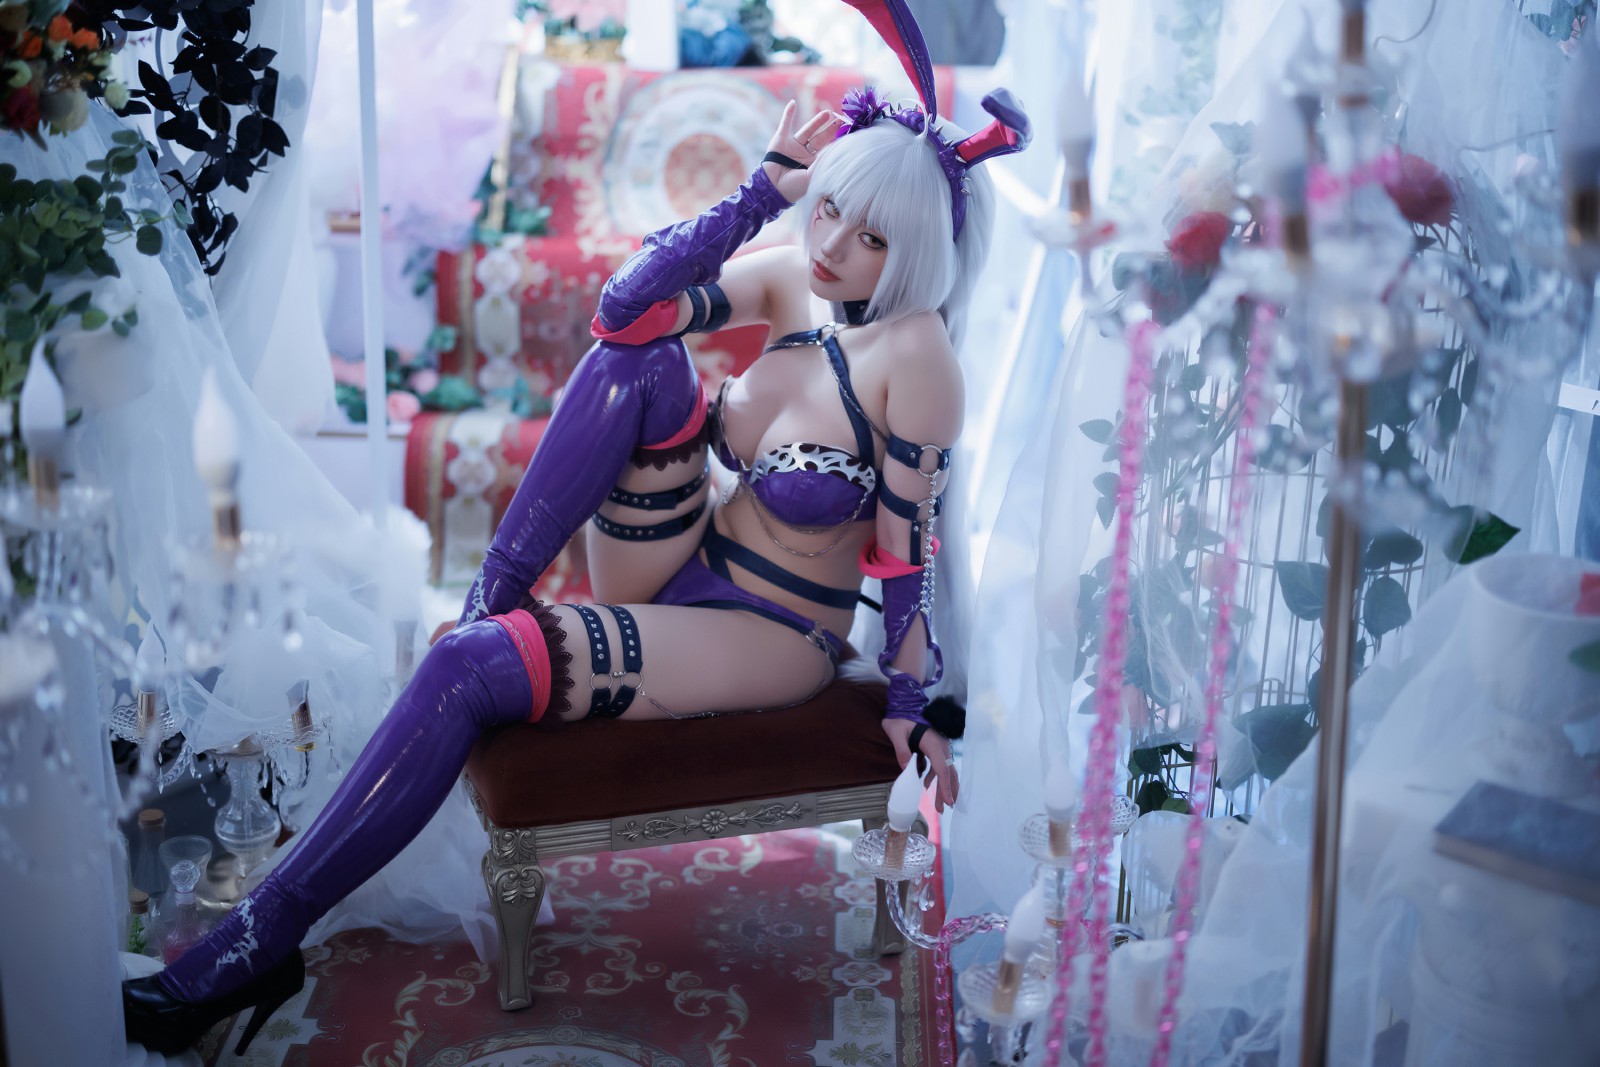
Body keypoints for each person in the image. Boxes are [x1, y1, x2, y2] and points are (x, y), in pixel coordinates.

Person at [121, 24, 1028, 1055]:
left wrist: (910, 701)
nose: (833, 245)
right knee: (637, 358)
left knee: (470, 667)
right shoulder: (793, 276)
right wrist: (759, 193)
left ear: (917, 253)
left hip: (771, 631)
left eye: (871, 237)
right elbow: (623, 310)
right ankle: (490, 600)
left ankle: (260, 937)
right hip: (677, 558)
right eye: (829, 207)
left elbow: (906, 552)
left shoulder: (917, 355)